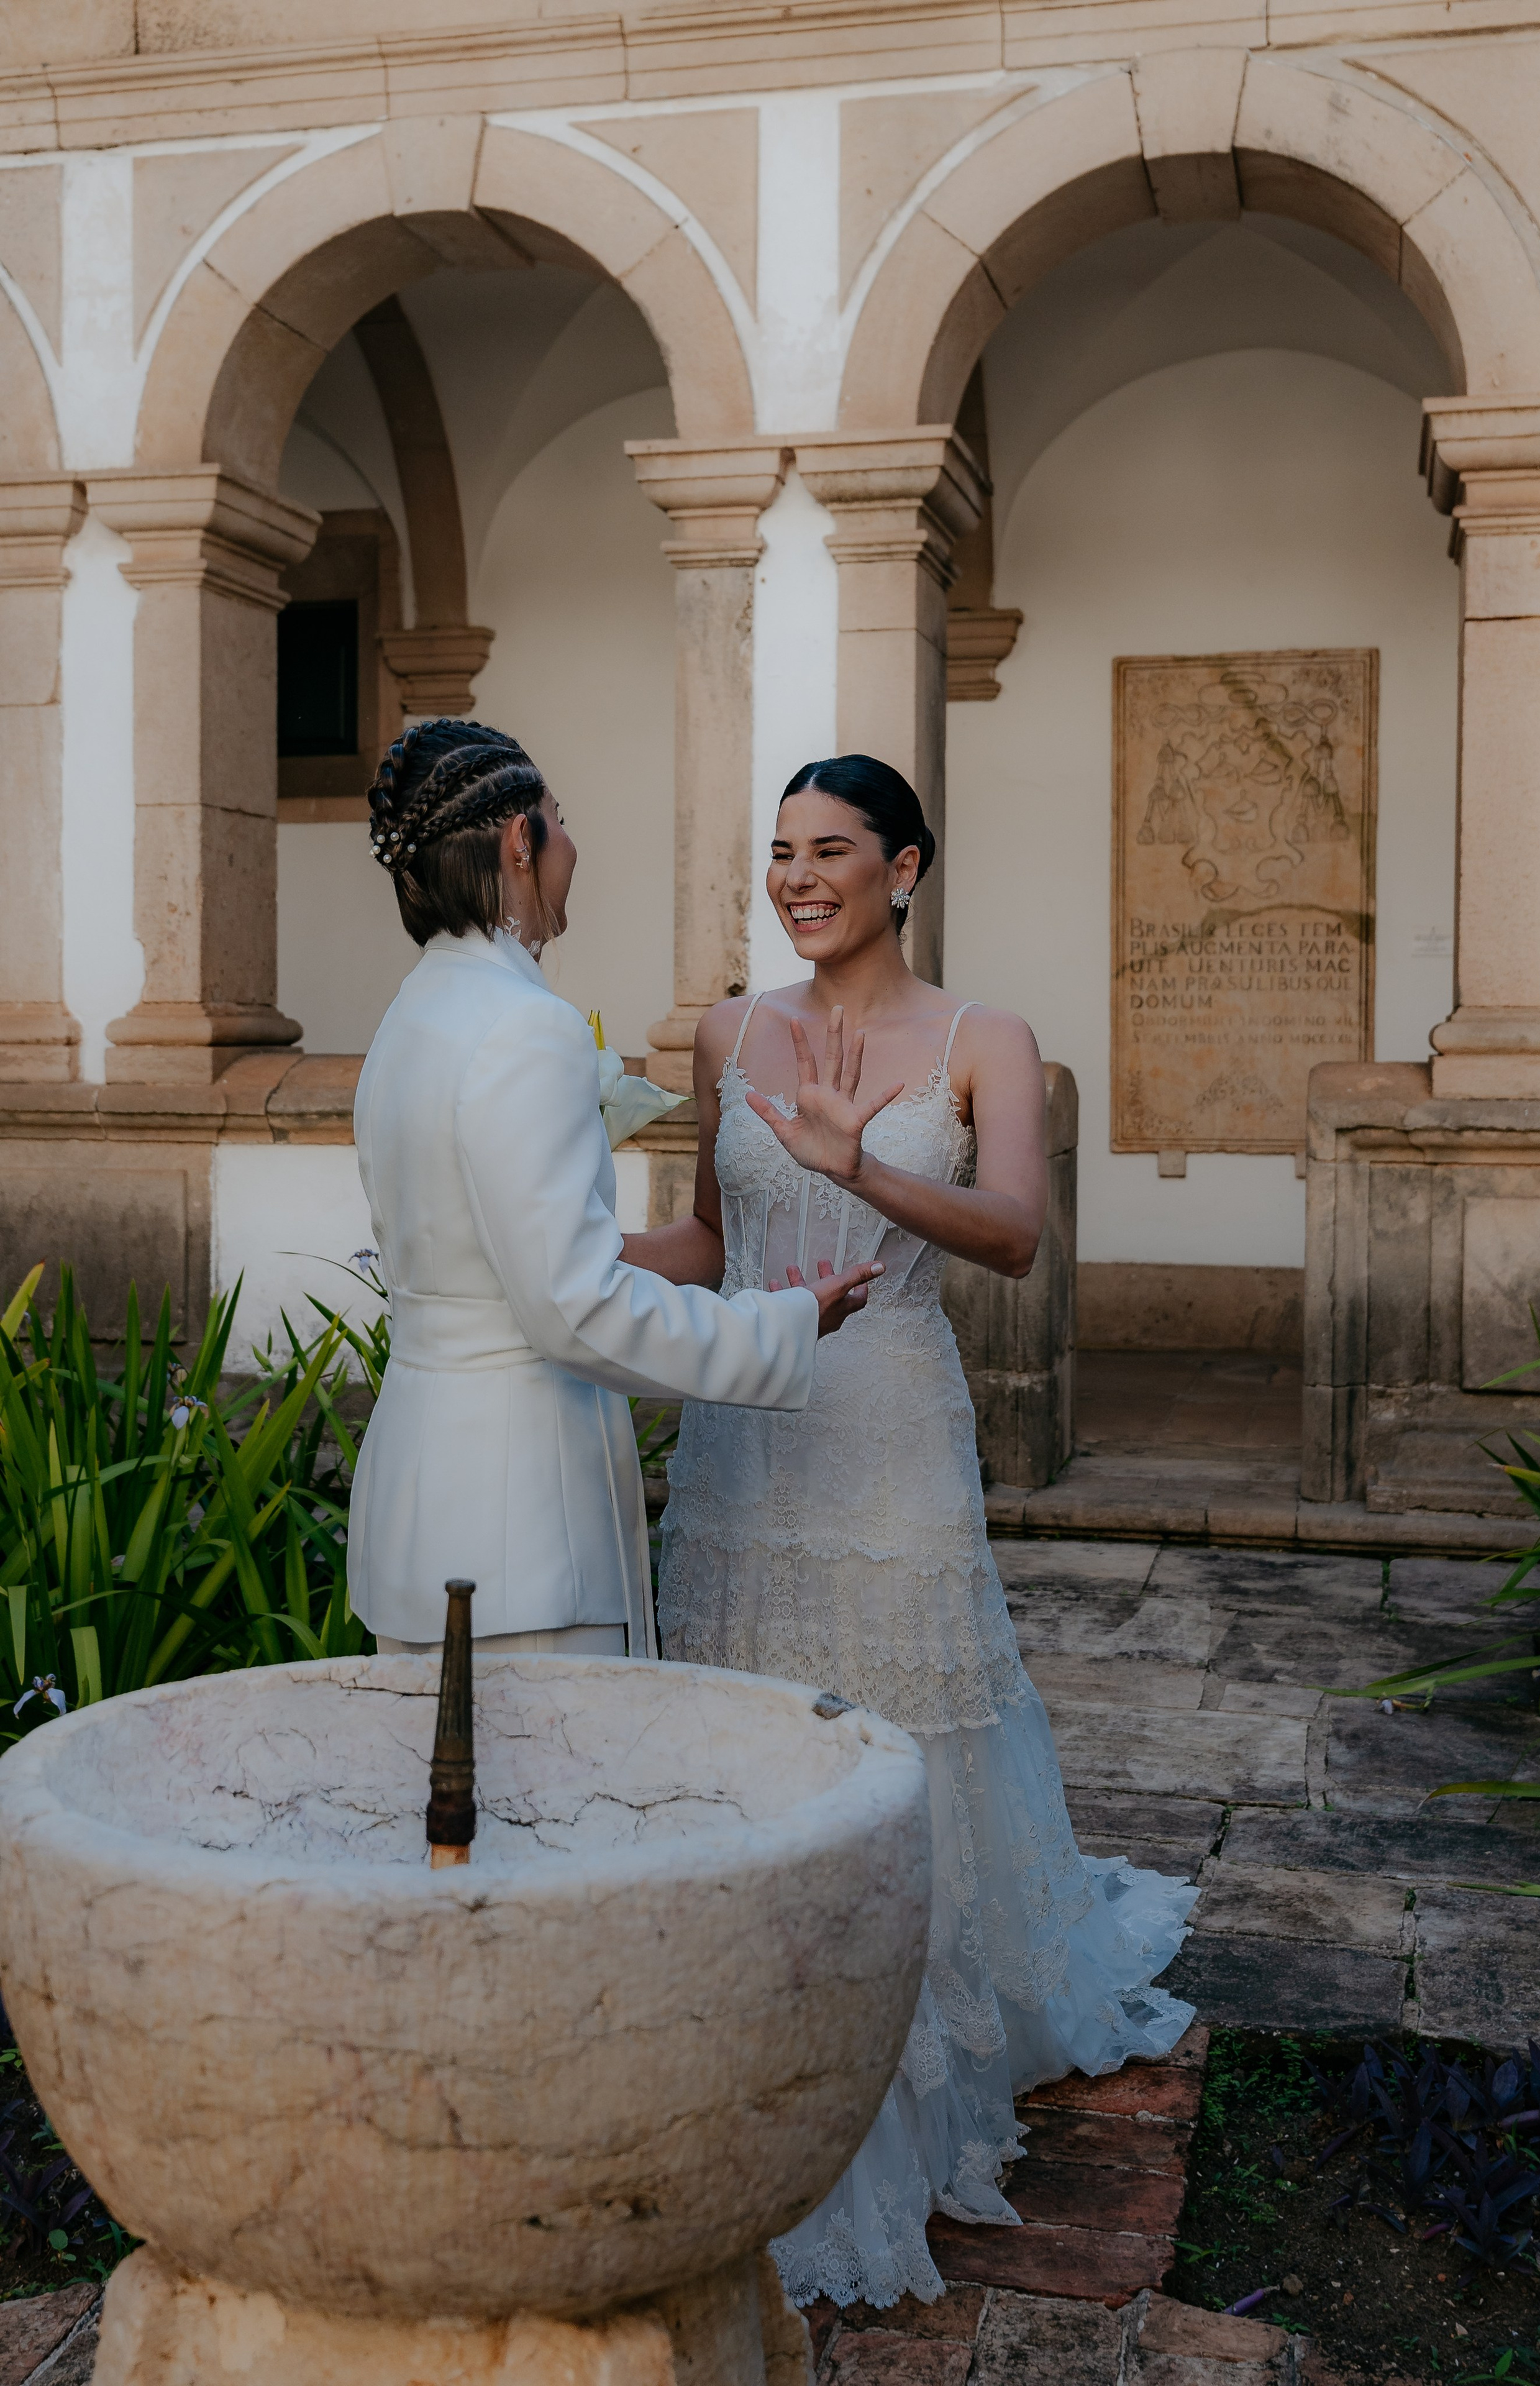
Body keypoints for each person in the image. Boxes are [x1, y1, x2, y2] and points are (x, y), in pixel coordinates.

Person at [657, 755, 1198, 2311]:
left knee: (898, 1734)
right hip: (742, 1432)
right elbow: (709, 1241)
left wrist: (862, 1167)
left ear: (902, 869)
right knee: (745, 1728)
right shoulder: (727, 1032)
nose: (795, 877)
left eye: (829, 850)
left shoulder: (983, 1040)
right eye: (779, 852)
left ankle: (901, 2052)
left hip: (888, 1429)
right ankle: (748, 2020)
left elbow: (1016, 1236)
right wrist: (532, 1255)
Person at [346, 720, 880, 1660]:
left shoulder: (408, 1015)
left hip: (420, 1510)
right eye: (560, 820)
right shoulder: (526, 1027)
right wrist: (782, 1327)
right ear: (520, 841)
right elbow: (574, 1306)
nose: (571, 846)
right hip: (523, 1531)